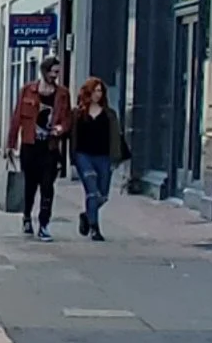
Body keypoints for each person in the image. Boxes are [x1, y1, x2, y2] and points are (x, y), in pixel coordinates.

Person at [7, 58, 72, 237]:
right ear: (44, 71)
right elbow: (17, 116)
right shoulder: (28, 90)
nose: (55, 75)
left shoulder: (62, 94)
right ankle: (27, 217)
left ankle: (44, 224)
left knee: (47, 186)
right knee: (30, 185)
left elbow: (67, 118)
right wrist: (11, 144)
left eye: (57, 72)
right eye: (52, 71)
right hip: (30, 145)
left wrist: (61, 128)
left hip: (50, 147)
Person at [69, 77, 125, 238]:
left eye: (100, 91)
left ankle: (86, 215)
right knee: (92, 190)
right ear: (88, 92)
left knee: (103, 195)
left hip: (103, 156)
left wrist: (115, 158)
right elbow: (72, 136)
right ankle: (95, 228)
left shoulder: (109, 114)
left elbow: (115, 137)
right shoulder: (78, 113)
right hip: (84, 155)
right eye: (95, 91)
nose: (97, 94)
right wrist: (72, 157)